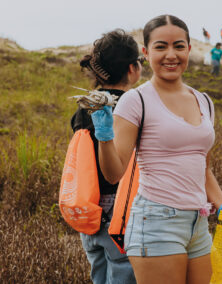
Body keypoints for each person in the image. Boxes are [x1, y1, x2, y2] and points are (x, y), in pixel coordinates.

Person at [90, 15, 222, 284]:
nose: (170, 55)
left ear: (189, 49)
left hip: (198, 224)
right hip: (155, 223)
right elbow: (114, 173)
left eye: (179, 46)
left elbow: (203, 168)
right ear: (146, 53)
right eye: (161, 47)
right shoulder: (135, 100)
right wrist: (104, 137)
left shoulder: (204, 101)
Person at [71, 29, 142, 284]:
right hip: (122, 213)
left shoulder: (84, 108)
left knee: (99, 274)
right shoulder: (133, 107)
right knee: (123, 274)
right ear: (133, 69)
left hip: (89, 210)